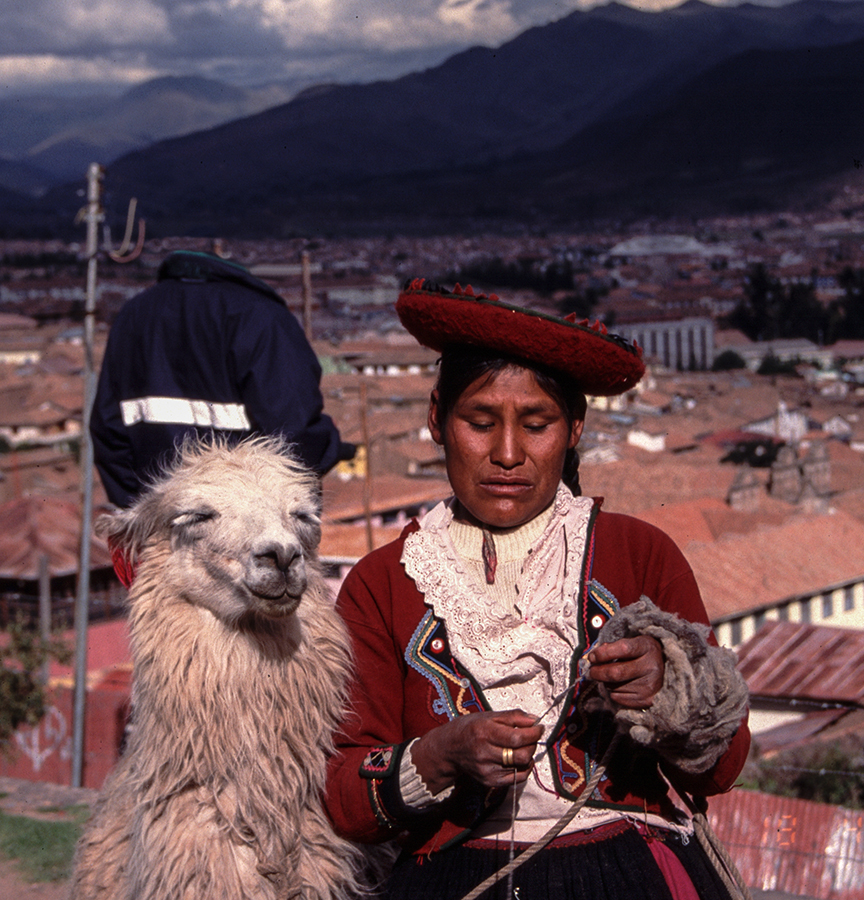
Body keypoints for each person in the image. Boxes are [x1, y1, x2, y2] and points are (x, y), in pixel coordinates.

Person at [324, 279, 750, 899]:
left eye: (537, 424)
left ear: (574, 427)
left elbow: (728, 763)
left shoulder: (639, 554)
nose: (507, 453)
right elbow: (343, 799)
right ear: (436, 421)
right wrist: (439, 755)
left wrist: (667, 688)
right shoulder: (381, 585)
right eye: (479, 422)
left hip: (634, 869)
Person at [90, 250, 353, 507]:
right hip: (247, 528)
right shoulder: (259, 316)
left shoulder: (133, 315)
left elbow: (108, 427)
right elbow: (296, 436)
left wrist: (139, 511)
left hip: (159, 523)